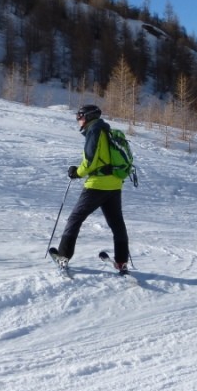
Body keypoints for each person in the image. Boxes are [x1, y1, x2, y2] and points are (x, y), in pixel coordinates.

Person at [49, 104, 131, 273]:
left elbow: (90, 161)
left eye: (80, 117)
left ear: (88, 117)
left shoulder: (95, 131)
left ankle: (63, 256)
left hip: (97, 185)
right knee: (117, 223)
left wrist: (77, 173)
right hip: (115, 184)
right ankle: (122, 261)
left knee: (75, 219)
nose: (78, 120)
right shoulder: (106, 131)